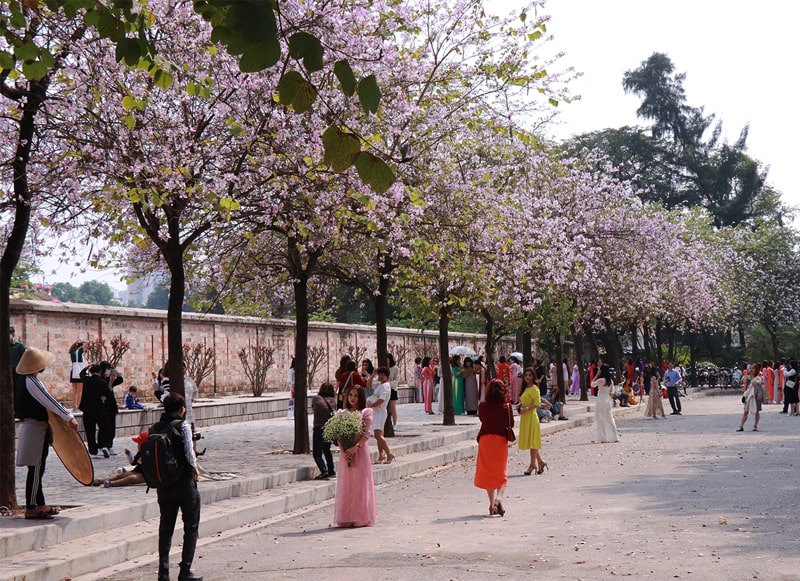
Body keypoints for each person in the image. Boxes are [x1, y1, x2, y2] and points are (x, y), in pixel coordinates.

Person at [14, 347, 77, 520]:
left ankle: (40, 503)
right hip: (35, 428)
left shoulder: (23, 380)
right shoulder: (32, 382)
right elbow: (49, 401)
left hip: (35, 427)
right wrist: (68, 417)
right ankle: (32, 507)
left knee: (38, 467)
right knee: (35, 468)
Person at [154, 393, 202, 581]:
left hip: (163, 485)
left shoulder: (155, 428)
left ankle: (163, 572)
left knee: (165, 528)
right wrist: (195, 469)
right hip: (184, 483)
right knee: (191, 526)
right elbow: (190, 452)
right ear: (182, 409)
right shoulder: (183, 425)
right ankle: (185, 570)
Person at [334, 386, 377, 527]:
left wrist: (355, 447)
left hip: (360, 452)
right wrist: (343, 450)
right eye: (350, 395)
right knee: (347, 484)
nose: (352, 398)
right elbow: (338, 434)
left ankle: (361, 516)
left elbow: (367, 434)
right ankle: (346, 516)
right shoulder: (342, 413)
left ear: (361, 398)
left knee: (360, 484)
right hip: (345, 454)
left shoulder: (365, 412)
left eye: (356, 396)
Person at [475, 379, 512, 516]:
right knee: (500, 471)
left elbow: (482, 419)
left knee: (488, 472)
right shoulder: (506, 407)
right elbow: (511, 423)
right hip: (500, 440)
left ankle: (491, 506)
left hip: (485, 440)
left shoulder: (483, 406)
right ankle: (499, 498)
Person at [518, 368, 549, 476]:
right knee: (531, 442)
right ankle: (540, 462)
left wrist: (526, 409)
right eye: (526, 375)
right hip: (525, 417)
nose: (527, 377)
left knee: (533, 441)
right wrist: (520, 407)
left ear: (533, 377)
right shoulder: (525, 388)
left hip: (531, 416)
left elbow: (537, 403)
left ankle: (532, 465)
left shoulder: (535, 388)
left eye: (530, 375)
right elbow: (523, 401)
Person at [80, 364, 112, 458]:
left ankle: (93, 450)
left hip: (87, 409)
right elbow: (107, 395)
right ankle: (103, 445)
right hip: (99, 409)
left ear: (91, 371)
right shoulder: (102, 382)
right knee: (104, 427)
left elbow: (81, 374)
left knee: (90, 430)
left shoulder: (86, 380)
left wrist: (86, 367)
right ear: (100, 372)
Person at [369, 367, 394, 464]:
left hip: (380, 411)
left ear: (387, 376)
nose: (381, 376)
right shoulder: (380, 384)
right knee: (379, 434)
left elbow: (382, 400)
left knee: (378, 435)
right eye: (380, 374)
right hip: (376, 411)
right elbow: (368, 385)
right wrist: (373, 374)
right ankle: (381, 455)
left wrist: (372, 405)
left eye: (383, 374)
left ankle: (389, 453)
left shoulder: (386, 386)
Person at [311, 382, 337, 480]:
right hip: (330, 428)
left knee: (317, 453)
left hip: (319, 428)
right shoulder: (333, 401)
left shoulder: (316, 399)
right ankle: (331, 470)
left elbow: (314, 409)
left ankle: (324, 471)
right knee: (327, 449)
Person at [98, 360, 123, 455]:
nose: (109, 371)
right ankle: (101, 446)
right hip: (104, 406)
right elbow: (106, 390)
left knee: (112, 427)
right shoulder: (100, 380)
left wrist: (116, 372)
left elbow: (120, 380)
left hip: (111, 406)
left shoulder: (109, 379)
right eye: (108, 369)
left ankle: (110, 445)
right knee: (104, 427)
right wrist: (111, 382)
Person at [591, 364, 619, 443]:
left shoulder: (601, 380)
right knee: (609, 418)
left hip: (601, 399)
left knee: (600, 417)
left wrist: (596, 375)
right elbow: (612, 391)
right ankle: (614, 436)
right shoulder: (610, 381)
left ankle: (603, 437)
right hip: (607, 399)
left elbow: (592, 384)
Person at [738, 363, 764, 432]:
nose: (751, 369)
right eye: (751, 368)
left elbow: (754, 383)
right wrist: (747, 373)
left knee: (756, 411)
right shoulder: (748, 376)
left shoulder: (759, 377)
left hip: (756, 396)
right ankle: (741, 426)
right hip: (748, 395)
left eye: (753, 368)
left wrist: (752, 376)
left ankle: (755, 425)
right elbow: (744, 382)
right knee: (745, 411)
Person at [68, 339, 85, 410]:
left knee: (74, 390)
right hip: (79, 372)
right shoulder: (80, 351)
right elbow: (85, 346)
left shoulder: (72, 351)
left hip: (73, 371)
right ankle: (78, 406)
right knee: (80, 390)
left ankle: (74, 406)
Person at [387, 353, 400, 427]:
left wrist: (388, 384)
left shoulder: (395, 368)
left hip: (392, 390)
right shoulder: (383, 368)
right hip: (384, 390)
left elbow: (396, 381)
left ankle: (395, 423)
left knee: (392, 407)